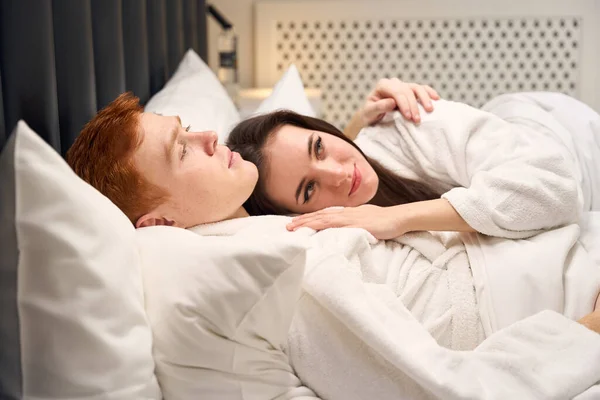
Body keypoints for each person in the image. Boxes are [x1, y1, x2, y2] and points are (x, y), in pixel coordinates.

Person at [65, 85, 600, 398]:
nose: (207, 136)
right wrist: (586, 333)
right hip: (569, 290)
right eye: (182, 150)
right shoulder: (278, 264)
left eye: (187, 127)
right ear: (158, 225)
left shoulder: (274, 229)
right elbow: (439, 386)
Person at [226, 87, 600, 240]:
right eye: (309, 189)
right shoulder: (331, 236)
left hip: (564, 135)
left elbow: (558, 188)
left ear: (325, 129)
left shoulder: (408, 124)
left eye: (319, 147)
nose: (340, 175)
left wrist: (399, 217)